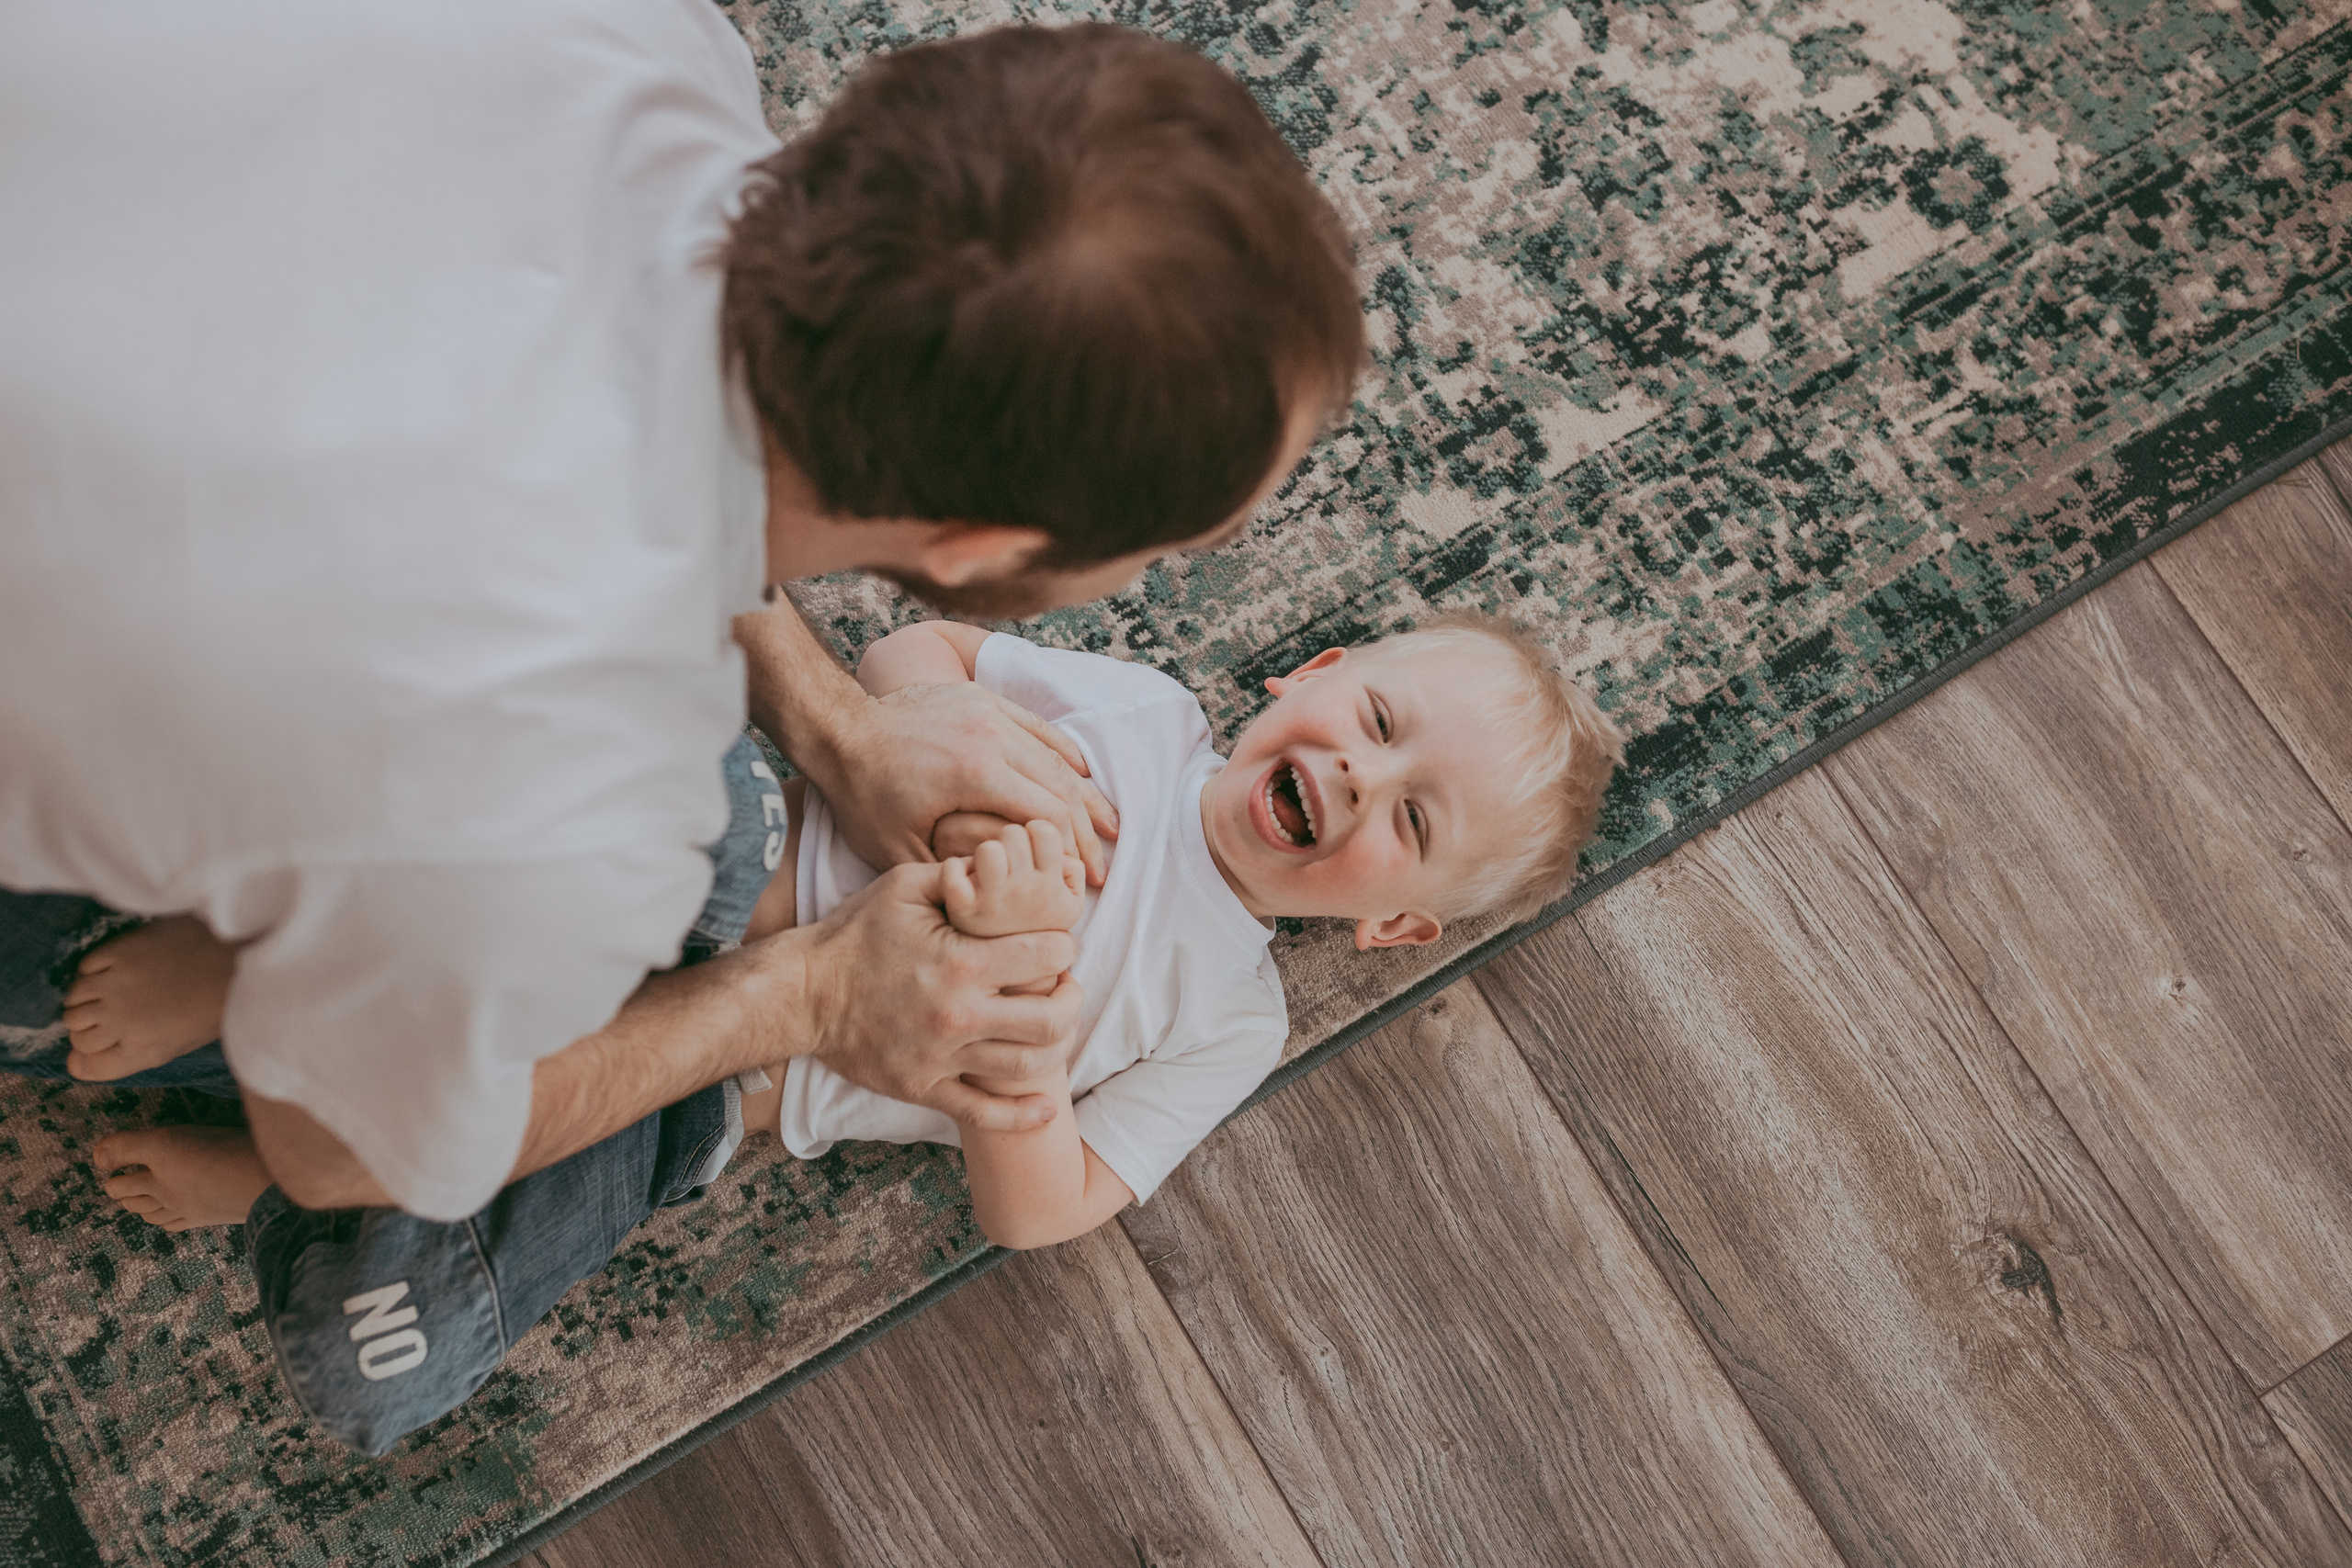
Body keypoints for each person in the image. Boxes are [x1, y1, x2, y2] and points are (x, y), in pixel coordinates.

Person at [0, 14, 1363, 1221]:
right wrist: (811, 991)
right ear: (984, 549)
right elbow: (336, 1152)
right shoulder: (569, 810)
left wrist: (840, 726)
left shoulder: (641, 40)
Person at [82, 612, 1626, 1452]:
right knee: (615, 829)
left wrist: (1018, 1084)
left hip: (712, 1103)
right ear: (1314, 673)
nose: (1358, 778)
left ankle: (295, 1165)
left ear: (1397, 926)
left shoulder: (1234, 1018)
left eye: (1411, 821)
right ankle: (255, 970)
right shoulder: (1142, 720)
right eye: (1376, 723)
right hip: (718, 885)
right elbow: (929, 651)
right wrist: (909, 724)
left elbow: (1055, 1211)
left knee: (375, 1368)